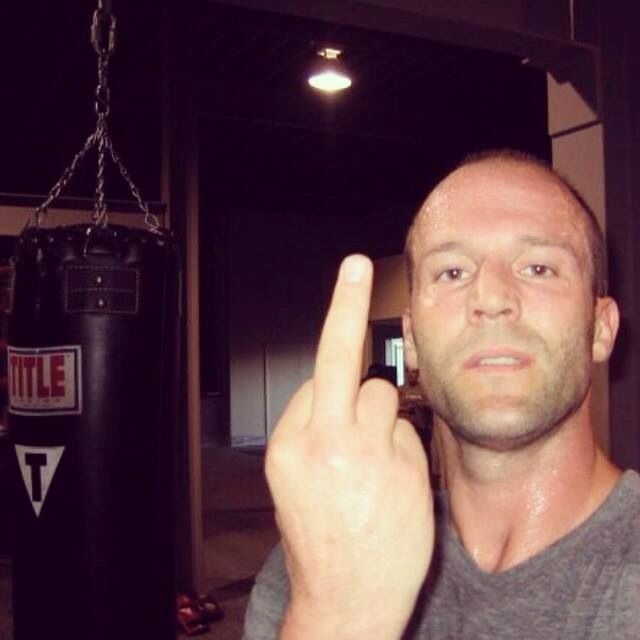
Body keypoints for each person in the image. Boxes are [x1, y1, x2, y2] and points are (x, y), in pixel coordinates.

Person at [243, 150, 640, 639]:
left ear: (601, 328)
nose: (491, 299)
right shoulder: (323, 557)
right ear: (410, 341)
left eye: (538, 267)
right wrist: (336, 615)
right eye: (453, 272)